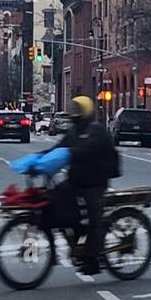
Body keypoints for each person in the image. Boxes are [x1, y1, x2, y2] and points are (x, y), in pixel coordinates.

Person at [55, 95, 121, 274]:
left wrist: (72, 151)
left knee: (93, 217)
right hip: (77, 178)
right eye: (72, 110)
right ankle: (78, 243)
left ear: (84, 111)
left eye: (76, 110)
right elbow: (59, 147)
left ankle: (93, 258)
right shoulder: (73, 131)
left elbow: (88, 148)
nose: (73, 113)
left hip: (96, 180)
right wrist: (39, 159)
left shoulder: (95, 129)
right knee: (60, 202)